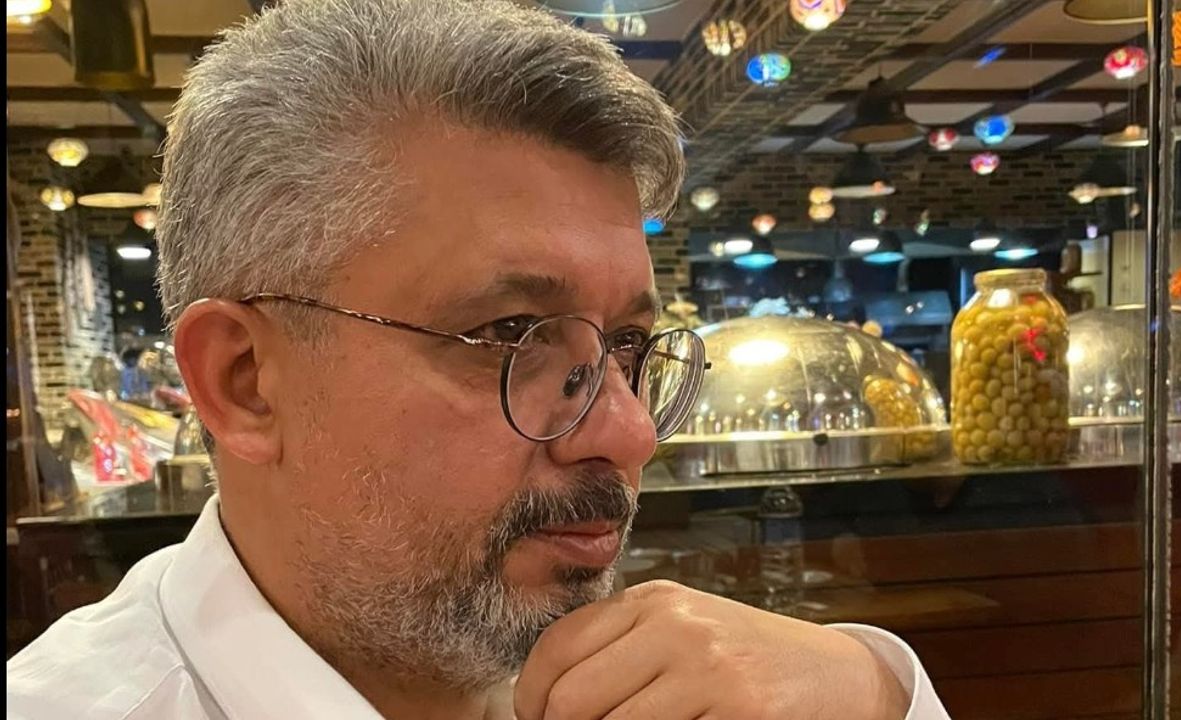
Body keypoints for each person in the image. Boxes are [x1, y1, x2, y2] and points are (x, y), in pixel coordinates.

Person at [7, 1, 950, 718]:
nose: (629, 433)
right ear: (244, 383)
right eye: (511, 335)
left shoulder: (643, 683)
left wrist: (875, 691)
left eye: (626, 346)